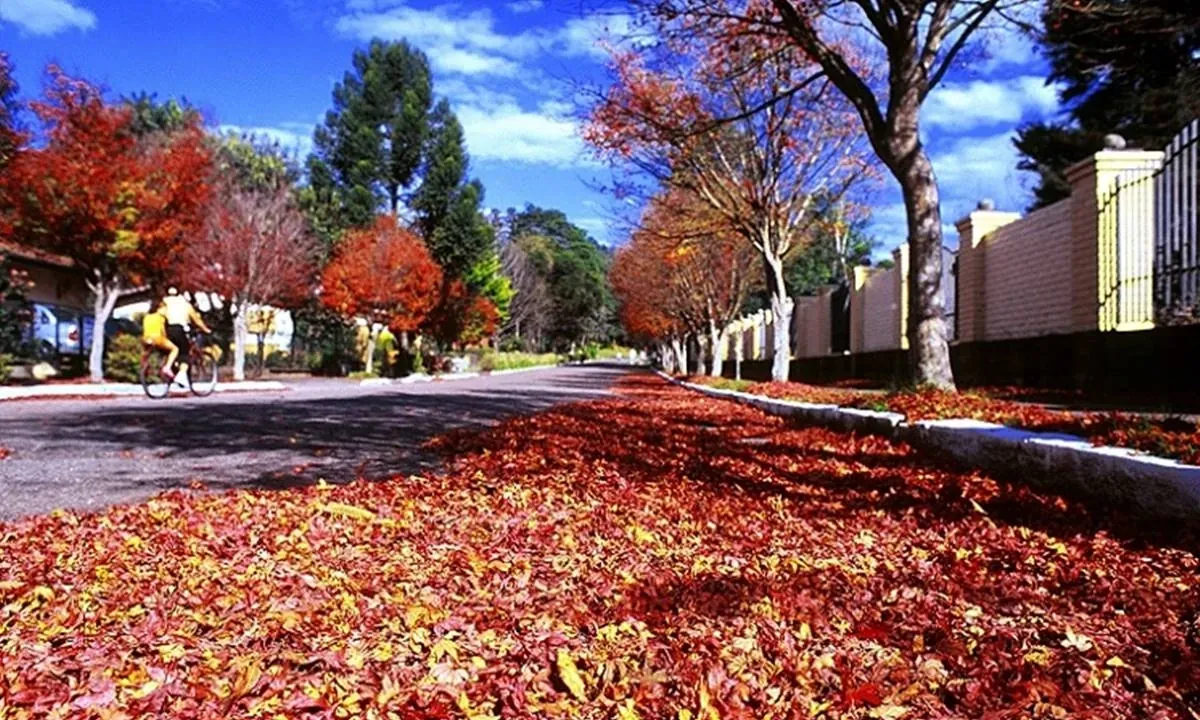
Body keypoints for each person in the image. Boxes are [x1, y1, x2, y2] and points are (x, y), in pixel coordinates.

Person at [162, 287, 212, 381]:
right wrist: (206, 330)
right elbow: (197, 321)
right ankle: (181, 375)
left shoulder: (164, 303)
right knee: (185, 353)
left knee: (173, 350)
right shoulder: (185, 304)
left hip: (167, 329)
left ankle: (174, 367)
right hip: (179, 329)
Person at [141, 295, 178, 377]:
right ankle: (167, 367)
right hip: (157, 338)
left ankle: (145, 366)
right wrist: (166, 337)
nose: (166, 311)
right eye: (165, 309)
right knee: (175, 349)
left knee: (148, 351)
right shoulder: (160, 317)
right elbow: (162, 331)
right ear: (159, 308)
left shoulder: (146, 317)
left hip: (146, 339)